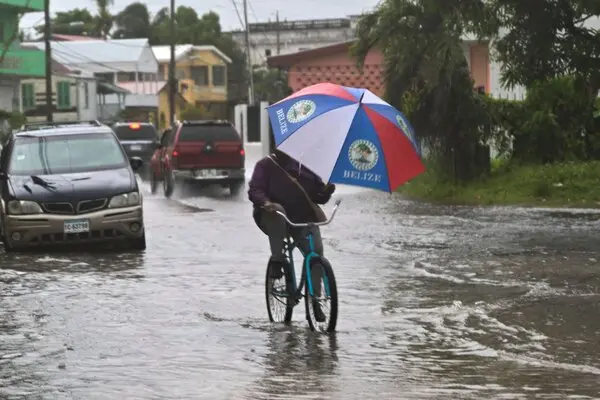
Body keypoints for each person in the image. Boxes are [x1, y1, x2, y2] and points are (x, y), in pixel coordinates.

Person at [248, 149, 336, 322]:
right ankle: (277, 260)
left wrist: (326, 191)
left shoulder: (305, 168)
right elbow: (254, 190)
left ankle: (316, 300)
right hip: (273, 216)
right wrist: (266, 203)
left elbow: (317, 196)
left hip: (300, 219)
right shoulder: (264, 166)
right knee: (277, 214)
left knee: (316, 253)